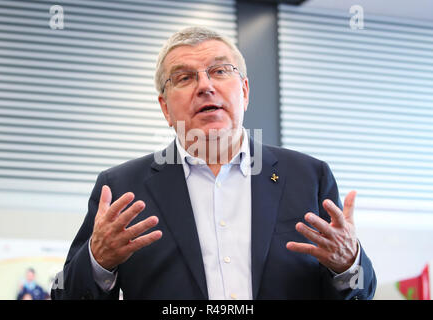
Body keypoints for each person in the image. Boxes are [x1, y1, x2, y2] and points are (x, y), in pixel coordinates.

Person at [51, 26, 376, 300]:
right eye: (184, 77)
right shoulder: (121, 189)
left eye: (220, 71)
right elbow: (65, 293)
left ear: (244, 92)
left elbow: (362, 292)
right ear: (165, 108)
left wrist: (347, 264)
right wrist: (98, 262)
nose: (205, 86)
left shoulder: (308, 177)